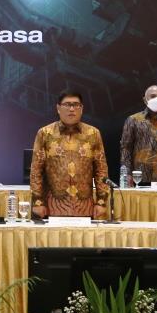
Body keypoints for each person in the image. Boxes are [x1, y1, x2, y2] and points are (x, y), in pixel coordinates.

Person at [30, 91, 109, 219]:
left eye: (76, 105)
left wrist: (101, 201)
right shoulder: (45, 133)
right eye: (67, 104)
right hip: (53, 206)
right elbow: (36, 171)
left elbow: (101, 170)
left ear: (81, 109)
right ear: (58, 108)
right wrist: (37, 201)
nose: (72, 109)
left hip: (84, 206)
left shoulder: (93, 134)